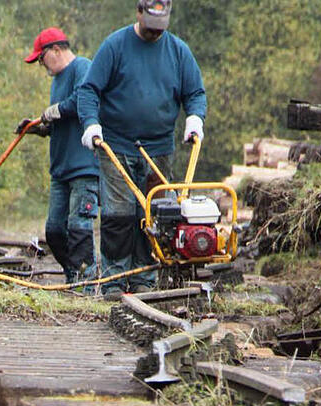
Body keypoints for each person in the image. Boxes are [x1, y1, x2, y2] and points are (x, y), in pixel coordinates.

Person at [77, 0, 206, 299]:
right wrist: (91, 124)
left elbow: (195, 92)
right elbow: (89, 89)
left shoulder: (178, 52)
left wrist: (195, 118)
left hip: (159, 147)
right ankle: (114, 278)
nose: (154, 34)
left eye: (159, 29)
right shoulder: (115, 46)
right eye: (149, 28)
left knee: (157, 214)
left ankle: (145, 278)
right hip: (117, 145)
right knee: (119, 214)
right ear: (138, 13)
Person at [17, 27, 99, 285]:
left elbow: (81, 101)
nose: (41, 65)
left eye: (41, 59)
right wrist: (38, 128)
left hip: (84, 167)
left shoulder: (82, 68)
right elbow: (57, 123)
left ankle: (86, 283)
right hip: (60, 169)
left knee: (79, 229)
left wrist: (56, 110)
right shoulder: (56, 81)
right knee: (54, 231)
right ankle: (73, 274)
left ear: (55, 50)